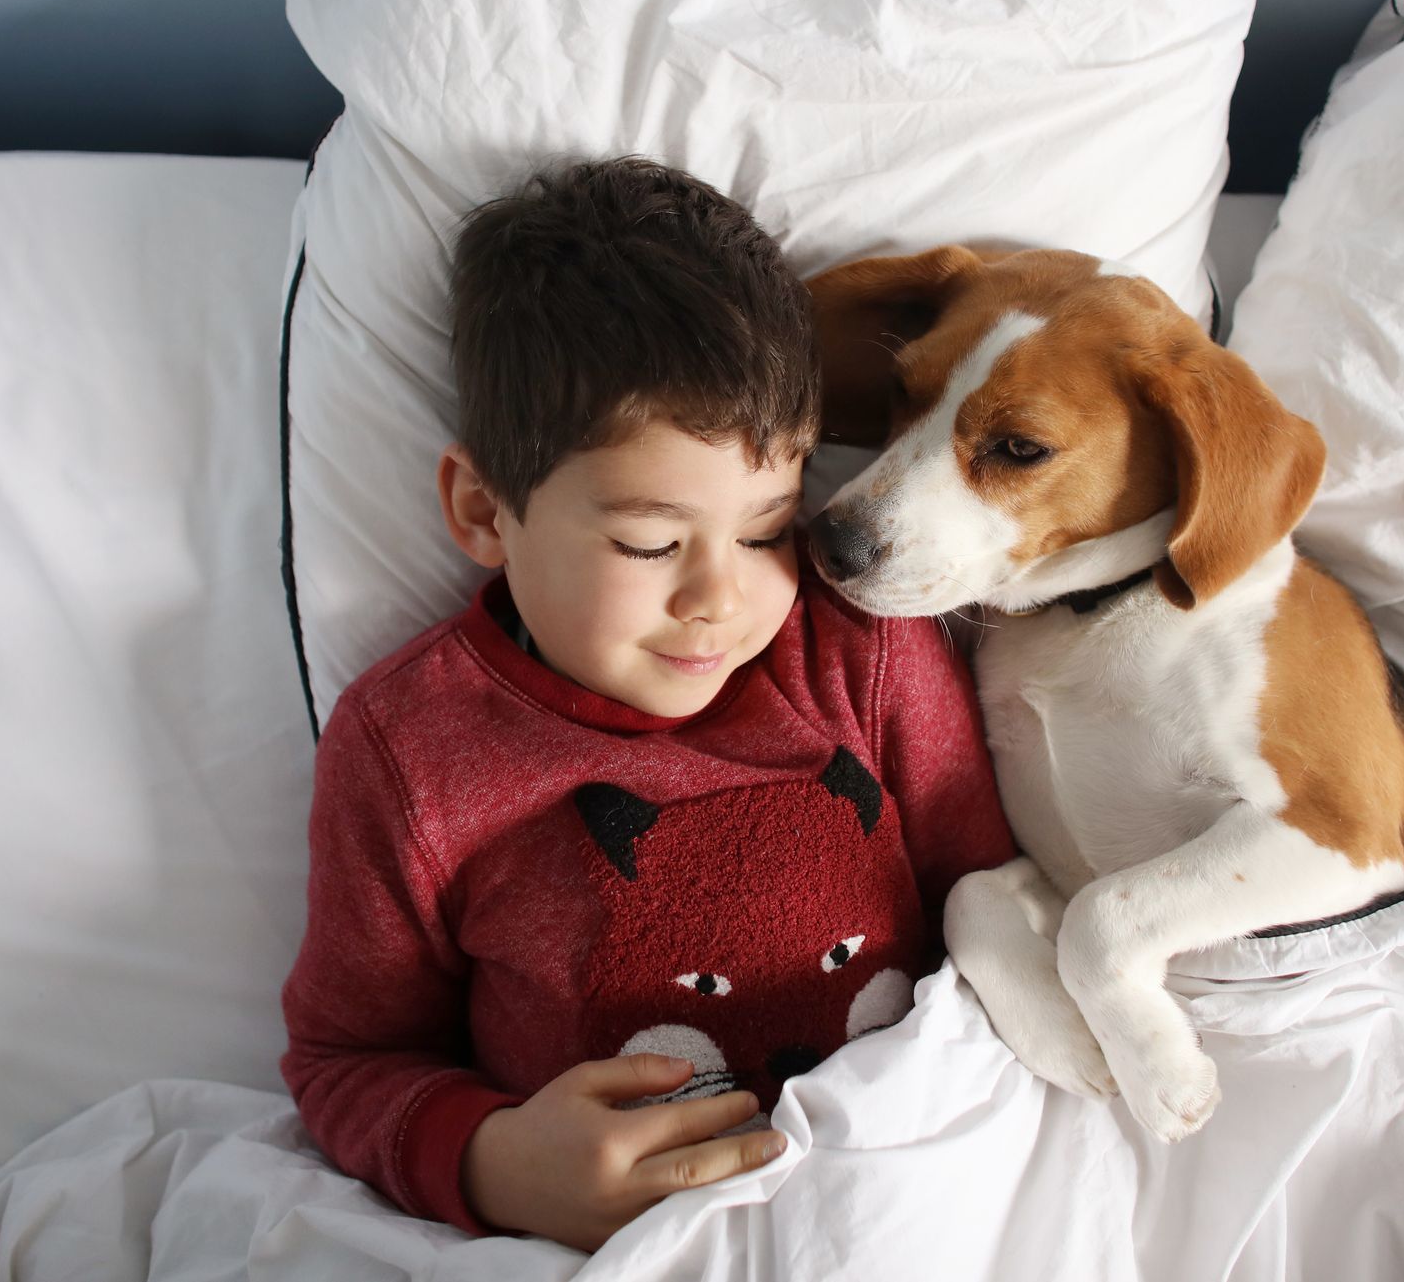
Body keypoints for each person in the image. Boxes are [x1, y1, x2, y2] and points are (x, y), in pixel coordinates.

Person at [280, 157, 1015, 1251]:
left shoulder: (856, 644)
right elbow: (346, 1059)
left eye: (768, 527)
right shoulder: (412, 749)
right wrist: (493, 1163)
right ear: (484, 509)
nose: (724, 596)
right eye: (650, 542)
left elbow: (993, 913)